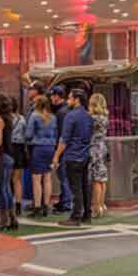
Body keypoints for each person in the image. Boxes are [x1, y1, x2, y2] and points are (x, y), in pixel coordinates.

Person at [53, 89, 95, 226]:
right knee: (85, 186)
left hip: (73, 156)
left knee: (75, 188)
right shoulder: (88, 116)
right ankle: (87, 214)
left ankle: (75, 216)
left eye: (70, 98)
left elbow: (64, 139)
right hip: (85, 155)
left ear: (77, 99)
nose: (68, 100)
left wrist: (56, 156)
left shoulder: (70, 116)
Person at [0, 94, 18, 230]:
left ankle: (3, 220)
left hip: (1, 156)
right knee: (6, 188)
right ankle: (12, 219)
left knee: (1, 188)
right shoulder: (9, 118)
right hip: (10, 155)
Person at [26, 96, 57, 217]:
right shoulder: (53, 117)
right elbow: (56, 133)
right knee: (48, 177)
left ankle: (37, 207)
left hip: (38, 148)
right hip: (50, 148)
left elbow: (28, 134)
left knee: (36, 179)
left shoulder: (34, 116)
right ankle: (46, 206)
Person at [49, 86, 73, 213]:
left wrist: (57, 151)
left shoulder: (61, 112)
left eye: (52, 95)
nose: (51, 98)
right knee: (64, 176)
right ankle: (64, 200)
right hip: (67, 147)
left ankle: (66, 203)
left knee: (64, 176)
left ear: (57, 96)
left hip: (63, 148)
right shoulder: (65, 110)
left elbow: (62, 134)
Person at [21, 82, 44, 211]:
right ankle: (41, 203)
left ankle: (37, 203)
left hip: (35, 145)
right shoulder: (45, 111)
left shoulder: (35, 111)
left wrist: (25, 137)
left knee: (37, 177)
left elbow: (30, 131)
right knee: (44, 177)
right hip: (44, 145)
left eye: (31, 89)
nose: (28, 91)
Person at [88, 93, 110, 217]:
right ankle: (102, 204)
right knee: (102, 178)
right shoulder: (105, 117)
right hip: (102, 147)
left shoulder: (93, 118)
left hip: (94, 149)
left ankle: (96, 208)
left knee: (96, 179)